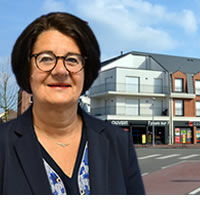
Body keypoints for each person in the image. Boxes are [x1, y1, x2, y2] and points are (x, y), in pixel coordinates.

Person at [0, 12, 145, 195]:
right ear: (27, 69)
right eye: (45, 58)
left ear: (86, 72)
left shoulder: (119, 144)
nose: (61, 70)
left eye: (72, 60)